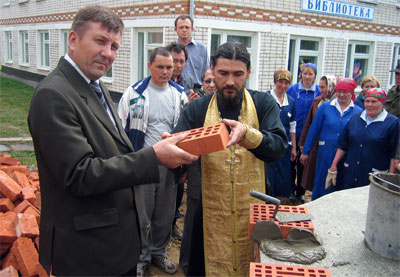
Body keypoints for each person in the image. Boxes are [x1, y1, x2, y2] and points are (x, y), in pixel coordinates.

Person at [28, 6, 197, 276]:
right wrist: (153, 156)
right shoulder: (53, 94)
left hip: (113, 245)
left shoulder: (93, 84)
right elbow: (79, 174)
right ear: (73, 40)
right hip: (88, 253)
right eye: (100, 41)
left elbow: (114, 148)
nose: (108, 53)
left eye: (115, 46)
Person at [172, 42, 288, 276]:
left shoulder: (263, 104)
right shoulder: (198, 110)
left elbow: (278, 148)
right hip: (208, 211)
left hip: (254, 209)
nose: (230, 82)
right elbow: (176, 149)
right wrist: (176, 151)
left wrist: (248, 135)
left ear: (249, 73)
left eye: (238, 74)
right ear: (212, 70)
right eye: (223, 73)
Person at [117, 47, 189, 276]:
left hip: (171, 165)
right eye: (160, 67)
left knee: (165, 214)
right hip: (143, 163)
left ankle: (158, 252)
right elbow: (119, 129)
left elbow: (187, 132)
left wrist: (184, 166)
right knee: (141, 214)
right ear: (149, 66)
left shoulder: (179, 95)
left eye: (170, 67)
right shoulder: (134, 93)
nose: (166, 71)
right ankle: (141, 256)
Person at [300, 78, 362, 200]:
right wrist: (306, 151)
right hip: (325, 152)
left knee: (340, 182)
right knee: (321, 181)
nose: (342, 95)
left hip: (345, 155)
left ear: (352, 94)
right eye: (339, 91)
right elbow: (314, 129)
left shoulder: (357, 112)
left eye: (345, 92)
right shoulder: (326, 107)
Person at [328, 88, 399, 189]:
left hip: (374, 177)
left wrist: (389, 179)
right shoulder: (356, 118)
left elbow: (394, 154)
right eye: (367, 101)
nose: (369, 105)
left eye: (374, 102)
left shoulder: (392, 123)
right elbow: (343, 145)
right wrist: (333, 165)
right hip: (351, 173)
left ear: (382, 103)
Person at [286, 63, 321, 202]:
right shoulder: (293, 89)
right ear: (300, 75)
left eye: (310, 74)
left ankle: (300, 191)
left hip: (308, 135)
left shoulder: (318, 91)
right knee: (291, 162)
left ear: (314, 76)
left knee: (303, 164)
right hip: (293, 131)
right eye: (304, 74)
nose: (307, 77)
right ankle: (289, 188)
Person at [298, 75, 337, 193]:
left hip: (330, 147)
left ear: (331, 87)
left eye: (323, 87)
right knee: (313, 174)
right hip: (315, 145)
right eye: (320, 87)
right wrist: (303, 144)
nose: (321, 90)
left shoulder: (338, 105)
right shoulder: (317, 102)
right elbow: (308, 124)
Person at [267, 69, 296, 199]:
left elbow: (292, 126)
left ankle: (283, 199)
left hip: (285, 144)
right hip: (270, 143)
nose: (283, 86)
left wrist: (294, 147)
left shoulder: (291, 102)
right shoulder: (267, 98)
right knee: (270, 173)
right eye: (280, 82)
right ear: (275, 82)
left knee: (284, 172)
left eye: (286, 83)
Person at [174, 14, 209, 92]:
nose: (184, 30)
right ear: (175, 29)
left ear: (192, 29)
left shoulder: (201, 48)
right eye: (181, 27)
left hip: (197, 91)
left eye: (187, 27)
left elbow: (207, 73)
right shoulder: (171, 50)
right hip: (177, 90)